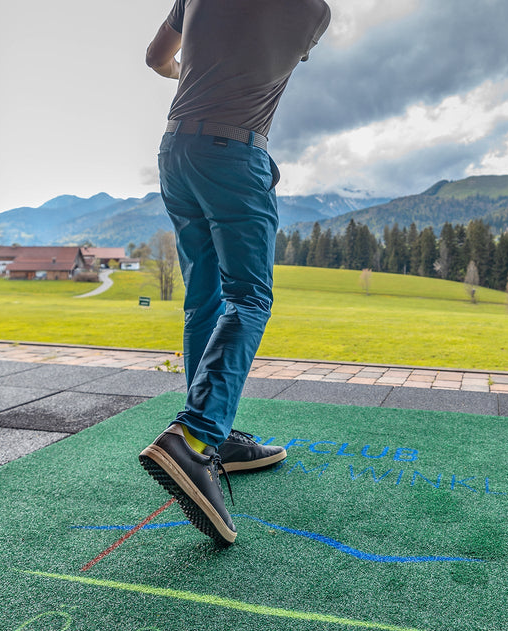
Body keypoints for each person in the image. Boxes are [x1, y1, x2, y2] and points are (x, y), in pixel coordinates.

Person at [139, 0, 331, 547]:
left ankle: (211, 438)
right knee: (248, 298)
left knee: (204, 300)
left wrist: (186, 76)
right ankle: (196, 433)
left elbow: (156, 58)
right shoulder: (313, 12)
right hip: (235, 149)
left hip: (177, 148)